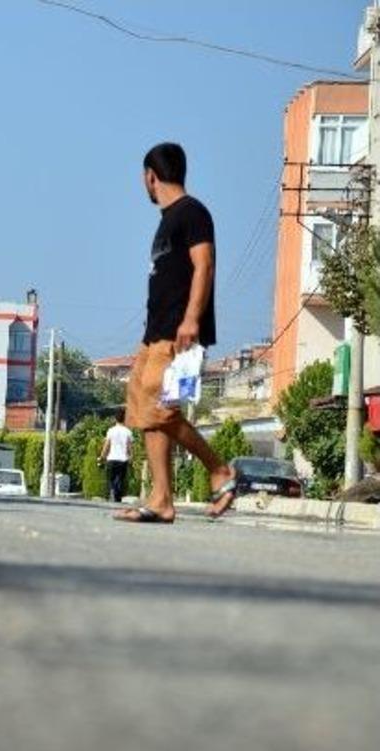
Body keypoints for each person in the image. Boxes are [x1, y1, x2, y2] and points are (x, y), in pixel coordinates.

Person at [118, 142, 236, 524]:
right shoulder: (168, 219)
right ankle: (161, 499)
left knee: (161, 411)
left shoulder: (192, 212)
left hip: (180, 333)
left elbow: (205, 266)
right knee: (144, 413)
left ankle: (219, 469)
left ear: (150, 176)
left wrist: (191, 320)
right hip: (155, 334)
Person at [100, 409, 133, 503]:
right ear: (125, 419)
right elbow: (129, 447)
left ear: (115, 419)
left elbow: (107, 445)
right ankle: (117, 497)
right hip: (123, 460)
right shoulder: (128, 432)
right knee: (120, 480)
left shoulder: (111, 431)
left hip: (111, 459)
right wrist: (131, 457)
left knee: (111, 478)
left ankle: (112, 492)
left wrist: (102, 456)